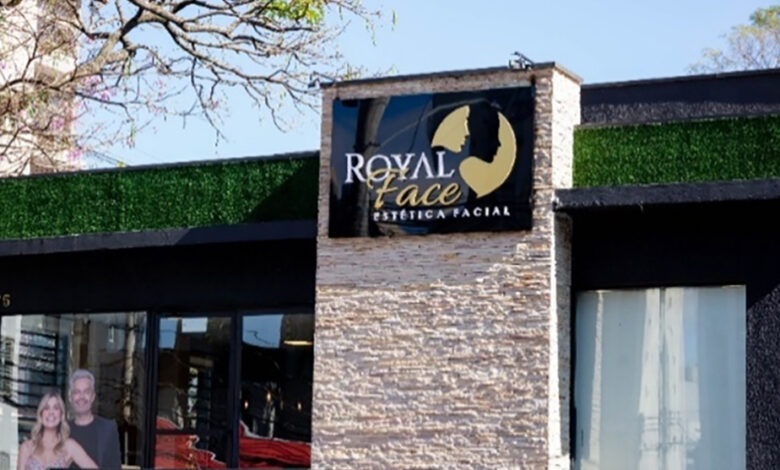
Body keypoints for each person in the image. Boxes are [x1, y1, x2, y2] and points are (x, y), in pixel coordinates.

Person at [17, 393, 97, 470]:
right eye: (46, 408)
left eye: (56, 408)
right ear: (41, 414)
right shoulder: (27, 447)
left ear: (61, 415)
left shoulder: (69, 446)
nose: (51, 412)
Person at [67, 370, 122, 470]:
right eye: (77, 392)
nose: (81, 397)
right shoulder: (62, 429)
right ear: (70, 398)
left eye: (86, 392)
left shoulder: (108, 429)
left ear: (93, 396)